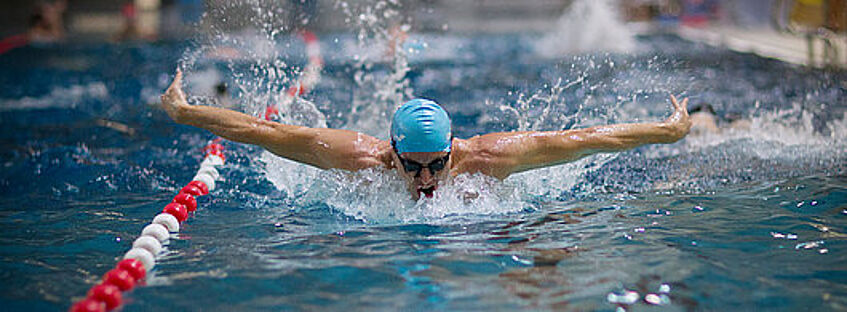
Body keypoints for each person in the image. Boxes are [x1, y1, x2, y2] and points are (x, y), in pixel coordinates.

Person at [161, 69, 691, 200]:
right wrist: (187, 114)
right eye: (411, 165)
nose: (424, 178)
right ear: (391, 152)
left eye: (435, 163)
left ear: (451, 149)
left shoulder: (486, 158)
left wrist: (667, 133)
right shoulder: (361, 158)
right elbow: (265, 132)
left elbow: (585, 138)